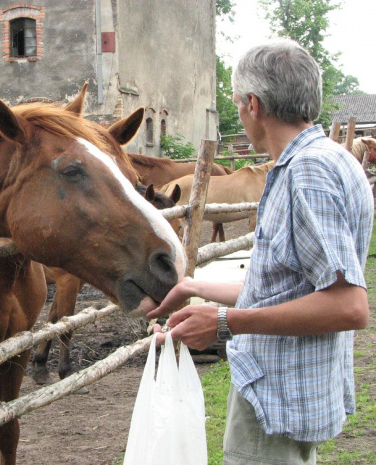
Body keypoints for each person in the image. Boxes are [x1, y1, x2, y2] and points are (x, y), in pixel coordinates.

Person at [138, 39, 374, 464]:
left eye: (236, 102)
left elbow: (349, 306)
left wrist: (226, 322)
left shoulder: (307, 173)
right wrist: (198, 287)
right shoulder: (331, 160)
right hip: (290, 391)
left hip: (276, 400)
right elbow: (289, 282)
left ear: (253, 104)